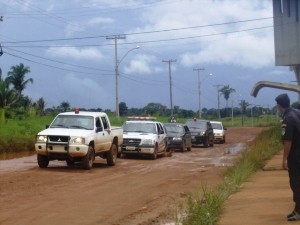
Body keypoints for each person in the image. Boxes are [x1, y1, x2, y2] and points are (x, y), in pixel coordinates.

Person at [275, 93, 300, 221]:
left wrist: (284, 159)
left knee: (296, 182)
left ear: (279, 106)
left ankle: (298, 211)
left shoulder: (287, 119)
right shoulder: (297, 112)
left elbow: (288, 141)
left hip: (296, 156)